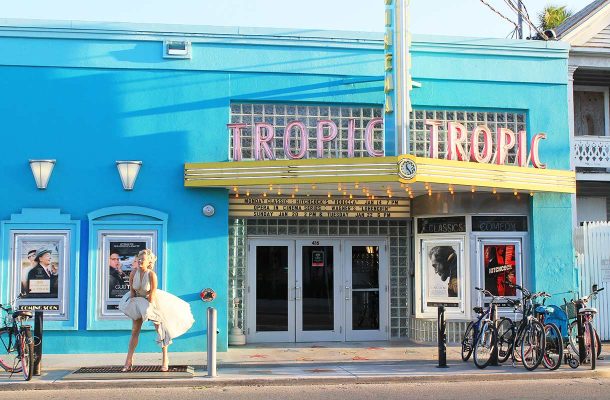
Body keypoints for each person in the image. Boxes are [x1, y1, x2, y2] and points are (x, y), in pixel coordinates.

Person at [118, 249, 194, 372]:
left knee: (160, 331)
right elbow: (132, 292)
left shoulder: (151, 275)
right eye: (139, 259)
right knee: (134, 331)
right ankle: (129, 360)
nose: (140, 261)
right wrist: (133, 306)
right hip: (138, 301)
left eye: (143, 259)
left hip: (151, 302)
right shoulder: (133, 273)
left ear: (149, 262)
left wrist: (150, 311)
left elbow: (152, 294)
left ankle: (165, 358)